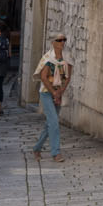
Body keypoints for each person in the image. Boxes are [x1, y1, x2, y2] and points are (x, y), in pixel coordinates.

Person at [31, 33, 71, 162]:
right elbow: (43, 77)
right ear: (53, 42)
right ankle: (56, 153)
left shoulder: (67, 57)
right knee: (54, 122)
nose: (62, 43)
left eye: (64, 40)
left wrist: (60, 92)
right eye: (59, 40)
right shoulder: (48, 58)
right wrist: (54, 93)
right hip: (46, 93)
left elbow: (67, 76)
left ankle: (37, 148)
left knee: (50, 124)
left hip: (58, 91)